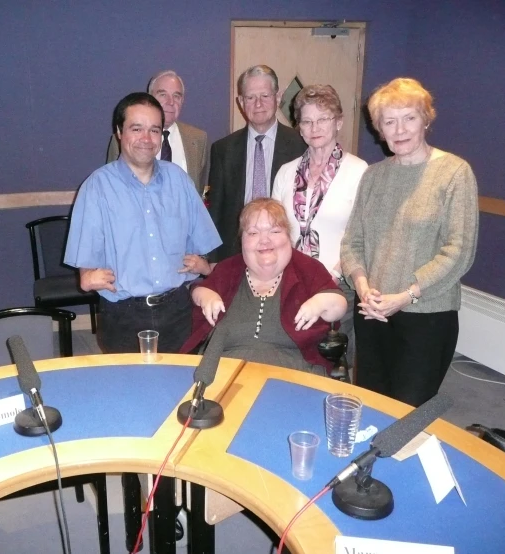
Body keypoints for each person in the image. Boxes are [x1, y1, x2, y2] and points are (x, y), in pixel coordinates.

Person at [340, 77, 479, 407]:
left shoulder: (454, 172)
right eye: (389, 121)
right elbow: (351, 243)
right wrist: (362, 287)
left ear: (426, 120)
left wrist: (406, 295)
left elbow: (459, 251)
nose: (399, 129)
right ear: (379, 129)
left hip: (426, 314)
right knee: (373, 404)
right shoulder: (373, 176)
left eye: (409, 118)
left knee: (408, 411)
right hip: (373, 311)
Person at [65, 92, 221, 354]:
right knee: (129, 391)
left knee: (180, 388)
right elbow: (86, 273)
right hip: (123, 316)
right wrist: (87, 275)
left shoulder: (178, 181)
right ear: (119, 132)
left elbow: (204, 244)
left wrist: (202, 265)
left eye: (154, 130)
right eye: (136, 129)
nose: (146, 139)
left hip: (177, 312)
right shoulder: (97, 187)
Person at [181, 198, 347, 374]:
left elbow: (338, 306)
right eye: (253, 233)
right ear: (242, 240)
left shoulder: (308, 269)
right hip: (226, 375)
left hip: (295, 377)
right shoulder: (228, 269)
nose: (264, 240)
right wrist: (206, 295)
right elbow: (198, 291)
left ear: (288, 236)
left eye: (275, 231)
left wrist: (320, 302)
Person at [272, 84, 367, 369]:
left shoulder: (359, 171)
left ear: (338, 122)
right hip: (291, 281)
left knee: (332, 363)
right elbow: (276, 230)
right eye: (307, 120)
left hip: (338, 284)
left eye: (323, 119)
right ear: (299, 127)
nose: (315, 127)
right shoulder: (286, 172)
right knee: (292, 357)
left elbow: (362, 236)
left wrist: (333, 274)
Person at [208, 65, 307, 262]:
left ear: (278, 98)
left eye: (265, 96)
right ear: (241, 102)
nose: (258, 104)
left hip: (284, 252)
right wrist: (213, 261)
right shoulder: (223, 150)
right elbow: (215, 213)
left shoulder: (301, 145)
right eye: (251, 97)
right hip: (235, 254)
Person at [106, 70, 209, 194]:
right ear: (150, 98)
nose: (170, 102)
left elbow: (198, 190)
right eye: (163, 94)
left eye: (177, 96)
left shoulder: (198, 139)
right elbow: (112, 186)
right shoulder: (124, 139)